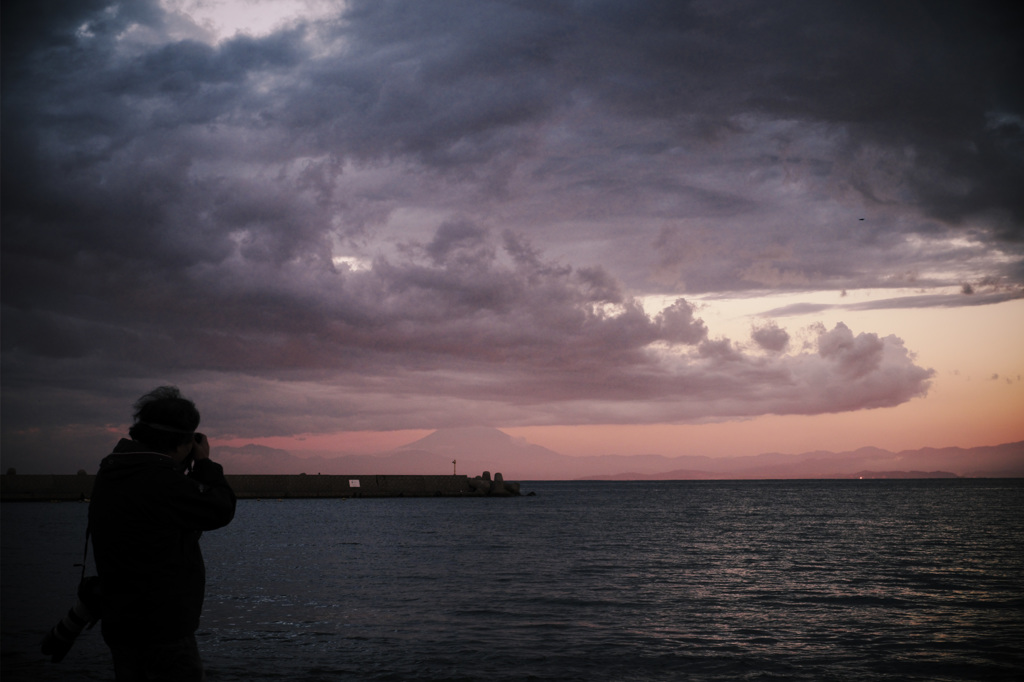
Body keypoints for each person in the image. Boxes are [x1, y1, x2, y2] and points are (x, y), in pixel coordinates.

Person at [88, 386, 236, 681]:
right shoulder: (162, 482)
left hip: (120, 622)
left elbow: (174, 507)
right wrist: (204, 463)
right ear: (182, 442)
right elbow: (219, 509)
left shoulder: (114, 470)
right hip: (162, 627)